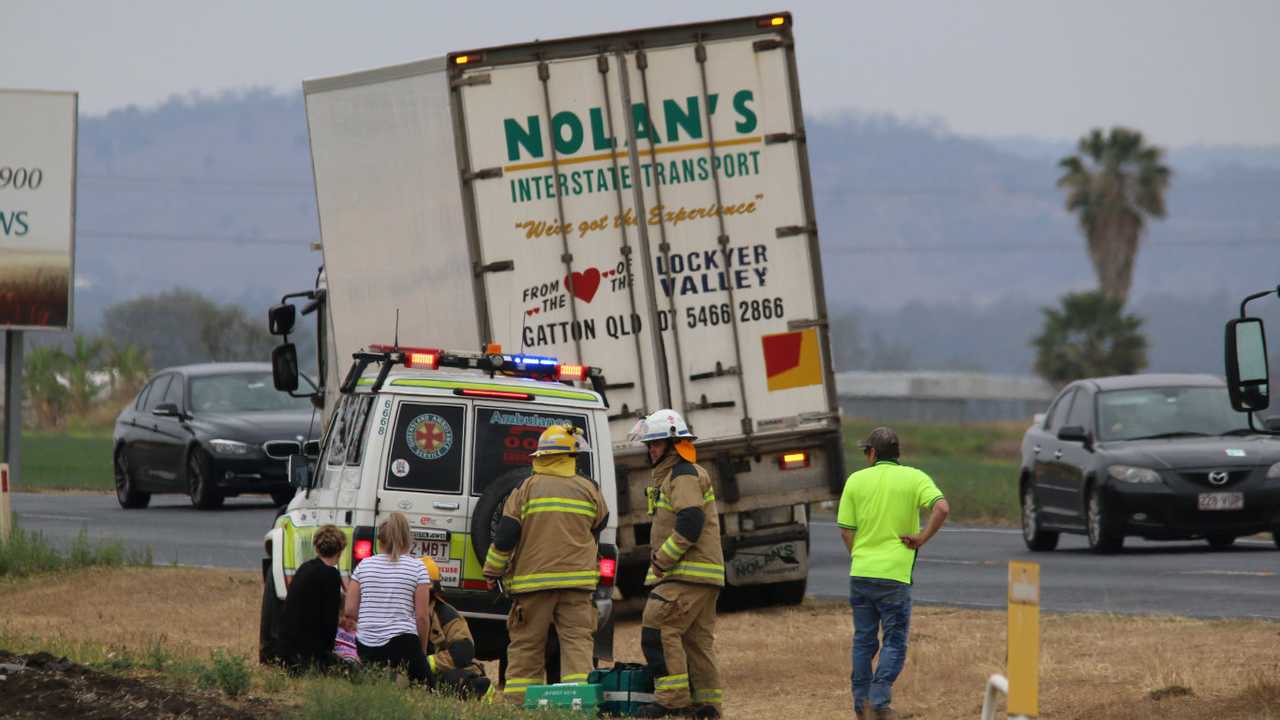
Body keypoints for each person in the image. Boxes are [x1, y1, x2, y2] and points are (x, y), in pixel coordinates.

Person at [481, 424, 609, 706]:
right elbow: (600, 523)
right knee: (577, 644)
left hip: (533, 585)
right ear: (570, 457)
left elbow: (505, 537)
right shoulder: (588, 489)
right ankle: (579, 705)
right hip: (577, 585)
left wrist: (492, 570)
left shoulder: (526, 489)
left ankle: (518, 704)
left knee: (527, 646)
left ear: (541, 456)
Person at [837, 427, 950, 720]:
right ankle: (878, 701)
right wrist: (922, 537)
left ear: (872, 453)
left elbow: (846, 529)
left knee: (863, 640)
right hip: (895, 576)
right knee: (895, 641)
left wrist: (861, 556)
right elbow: (941, 508)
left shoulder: (855, 481)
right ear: (896, 454)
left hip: (861, 573)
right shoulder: (915, 478)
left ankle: (861, 703)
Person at [628, 409, 724, 720]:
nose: (650, 450)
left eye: (655, 445)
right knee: (696, 643)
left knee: (657, 627)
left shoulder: (682, 474)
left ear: (672, 444)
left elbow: (691, 520)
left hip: (687, 573)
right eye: (650, 445)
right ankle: (706, 706)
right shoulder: (676, 474)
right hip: (700, 574)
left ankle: (672, 701)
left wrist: (664, 559)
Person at [343, 512, 433, 684]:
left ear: (380, 540)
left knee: (375, 684)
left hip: (367, 644)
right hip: (403, 642)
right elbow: (422, 618)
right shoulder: (417, 567)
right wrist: (420, 652)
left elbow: (350, 610)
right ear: (407, 539)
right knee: (427, 688)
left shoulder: (364, 566)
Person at [277, 524, 347, 673]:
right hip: (308, 655)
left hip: (287, 650)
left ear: (316, 548)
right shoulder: (331, 575)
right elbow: (329, 621)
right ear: (340, 551)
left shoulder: (305, 568)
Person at [421, 557, 492, 700]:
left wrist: (425, 663)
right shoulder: (400, 613)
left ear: (431, 593)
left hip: (443, 672)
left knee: (453, 680)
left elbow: (463, 651)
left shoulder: (447, 616)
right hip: (416, 673)